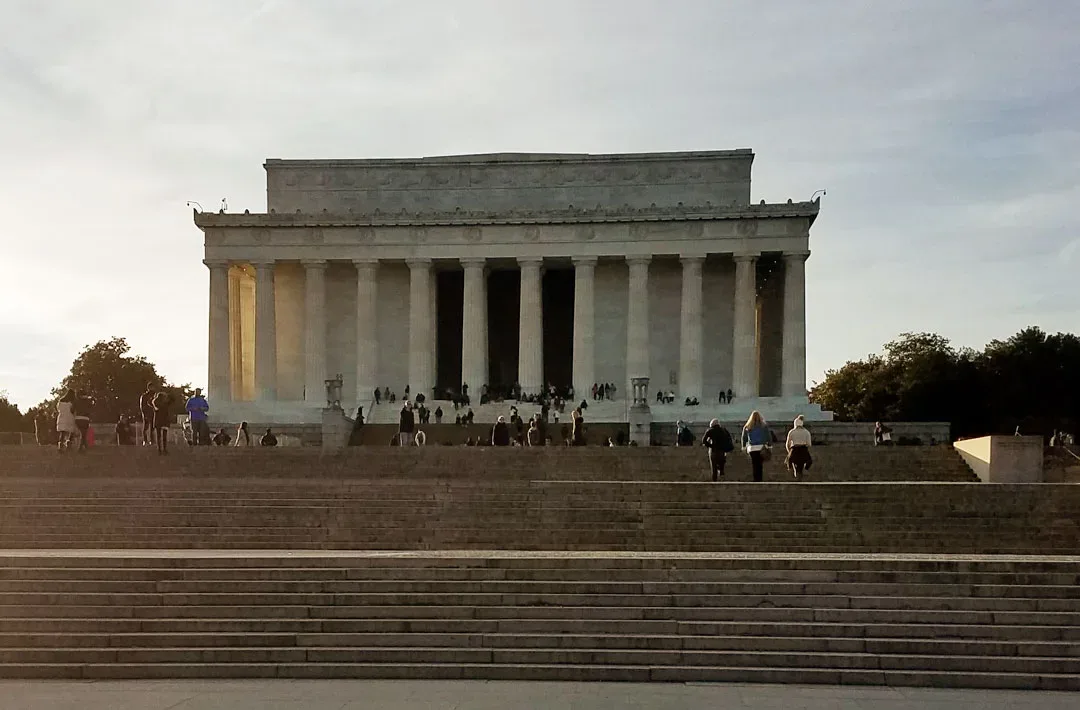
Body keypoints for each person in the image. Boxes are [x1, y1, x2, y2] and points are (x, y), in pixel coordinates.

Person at [741, 411, 770, 482]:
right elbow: (768, 436)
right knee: (760, 464)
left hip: (752, 448)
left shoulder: (748, 426)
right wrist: (769, 445)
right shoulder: (764, 426)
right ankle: (760, 478)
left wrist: (744, 446)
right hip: (761, 447)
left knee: (754, 464)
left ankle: (755, 479)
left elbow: (744, 437)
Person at [152, 391, 171, 455]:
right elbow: (172, 399)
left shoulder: (155, 403)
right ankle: (164, 449)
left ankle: (159, 449)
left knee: (159, 436)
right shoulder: (165, 404)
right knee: (163, 436)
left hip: (158, 421)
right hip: (164, 421)